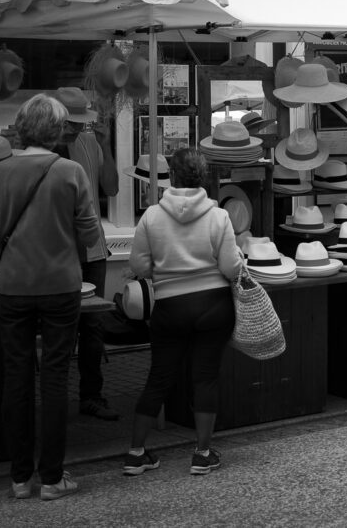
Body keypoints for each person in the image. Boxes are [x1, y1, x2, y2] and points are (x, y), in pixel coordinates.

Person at [0, 93, 99, 500]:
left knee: (16, 376)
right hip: (61, 284)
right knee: (56, 376)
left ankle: (18, 478)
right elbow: (90, 235)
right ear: (57, 130)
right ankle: (52, 478)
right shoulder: (71, 171)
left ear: (23, 127)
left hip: (12, 286)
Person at [123, 147, 241, 477]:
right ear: (202, 178)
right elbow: (231, 268)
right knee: (205, 377)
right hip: (213, 306)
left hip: (170, 307)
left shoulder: (152, 216)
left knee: (158, 377)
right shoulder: (219, 216)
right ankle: (202, 454)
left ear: (171, 177)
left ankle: (136, 453)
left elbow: (138, 265)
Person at [53, 87, 120, 421]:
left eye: (80, 122)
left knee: (93, 327)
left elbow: (111, 189)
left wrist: (105, 145)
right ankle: (54, 401)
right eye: (71, 122)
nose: (76, 128)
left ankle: (91, 395)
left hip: (93, 249)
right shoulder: (41, 150)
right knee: (59, 329)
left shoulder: (89, 142)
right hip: (57, 252)